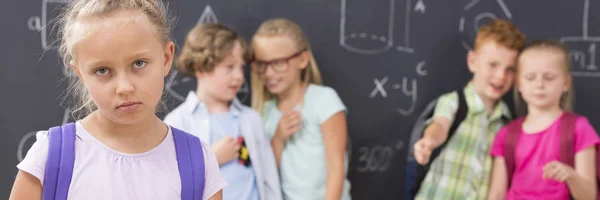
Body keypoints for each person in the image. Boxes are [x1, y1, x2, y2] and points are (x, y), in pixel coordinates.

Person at [9, 0, 225, 199]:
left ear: (167, 58)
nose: (124, 88)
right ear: (79, 73)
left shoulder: (200, 162)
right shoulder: (48, 158)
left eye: (139, 63)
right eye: (102, 70)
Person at [164, 23, 282, 200]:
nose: (239, 76)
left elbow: (268, 178)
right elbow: (168, 184)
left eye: (241, 67)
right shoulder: (178, 123)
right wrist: (211, 159)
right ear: (201, 68)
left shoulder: (250, 119)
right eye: (229, 67)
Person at [412, 19, 525, 199]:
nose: (501, 76)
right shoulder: (454, 102)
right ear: (472, 61)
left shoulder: (507, 122)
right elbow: (440, 125)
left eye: (510, 69)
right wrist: (429, 141)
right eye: (493, 65)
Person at [250, 18, 352, 200]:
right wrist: (278, 139)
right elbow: (266, 172)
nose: (269, 73)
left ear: (302, 59)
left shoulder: (324, 100)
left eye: (278, 63)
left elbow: (337, 167)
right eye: (262, 64)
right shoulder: (263, 111)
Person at [488, 40, 598, 200]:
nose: (539, 84)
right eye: (530, 77)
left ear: (566, 83)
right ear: (519, 84)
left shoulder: (579, 128)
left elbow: (589, 196)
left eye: (549, 77)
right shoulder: (506, 135)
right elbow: (497, 193)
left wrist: (571, 176)